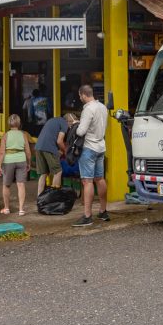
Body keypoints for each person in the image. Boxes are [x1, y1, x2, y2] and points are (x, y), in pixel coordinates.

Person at [71, 85, 109, 227]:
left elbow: (81, 132)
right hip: (101, 147)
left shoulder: (88, 109)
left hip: (89, 148)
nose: (80, 98)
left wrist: (76, 124)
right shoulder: (102, 107)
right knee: (99, 179)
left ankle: (87, 216)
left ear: (83, 94)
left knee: (87, 181)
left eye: (80, 96)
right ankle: (103, 211)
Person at [34, 111, 77, 198]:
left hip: (38, 147)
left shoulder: (53, 120)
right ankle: (53, 198)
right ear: (69, 121)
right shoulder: (64, 123)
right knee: (58, 172)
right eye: (71, 125)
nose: (70, 128)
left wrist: (58, 150)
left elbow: (50, 136)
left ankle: (40, 198)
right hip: (49, 148)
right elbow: (59, 141)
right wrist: (65, 151)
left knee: (43, 173)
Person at [0, 114, 30, 216]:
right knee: (21, 184)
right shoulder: (23, 135)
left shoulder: (6, 135)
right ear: (19, 123)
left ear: (9, 124)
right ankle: (21, 210)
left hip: (8, 160)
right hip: (21, 160)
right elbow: (28, 151)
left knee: (6, 185)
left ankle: (6, 208)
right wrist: (28, 163)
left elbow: (2, 152)